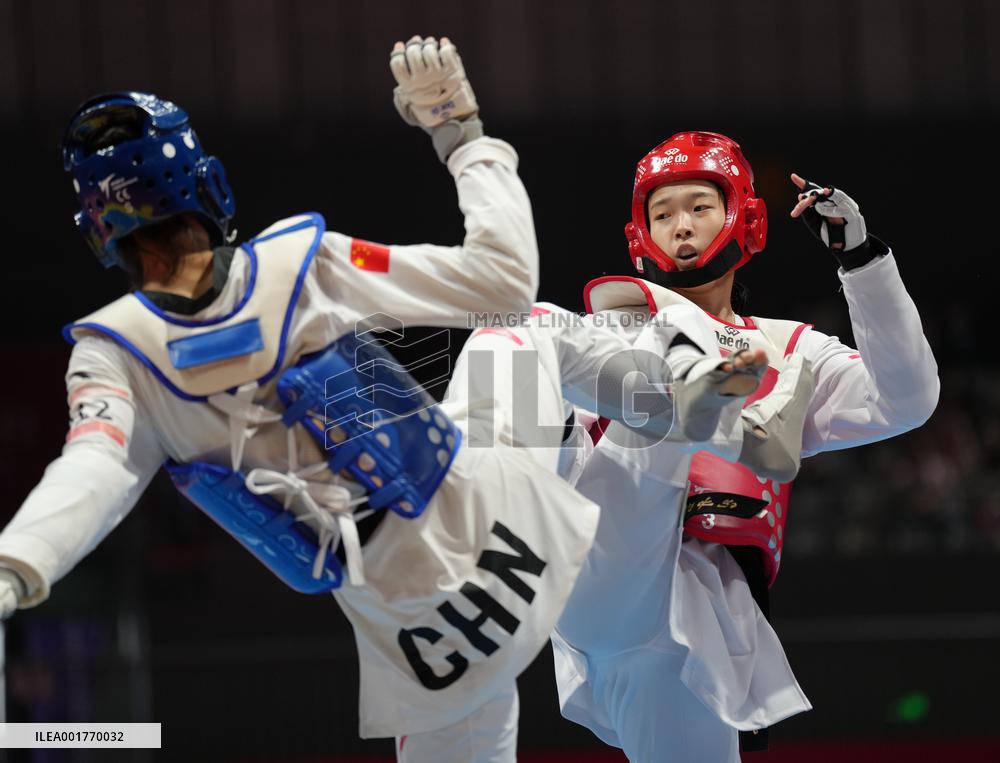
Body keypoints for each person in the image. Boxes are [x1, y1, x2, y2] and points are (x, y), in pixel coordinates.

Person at [0, 39, 774, 762]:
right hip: (500, 510)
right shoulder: (297, 262)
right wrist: (462, 136)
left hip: (429, 632)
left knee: (524, 326)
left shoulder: (113, 352)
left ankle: (675, 405)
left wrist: (14, 565)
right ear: (206, 181)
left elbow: (93, 471)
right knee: (523, 323)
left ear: (97, 226)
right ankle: (672, 403)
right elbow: (500, 280)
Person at [550, 131, 940, 762]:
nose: (680, 226)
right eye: (662, 212)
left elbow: (907, 401)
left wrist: (862, 260)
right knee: (536, 338)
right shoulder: (605, 328)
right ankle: (702, 412)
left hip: (699, 629)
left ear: (746, 222)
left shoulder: (788, 351)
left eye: (699, 207)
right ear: (639, 237)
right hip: (602, 573)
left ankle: (705, 408)